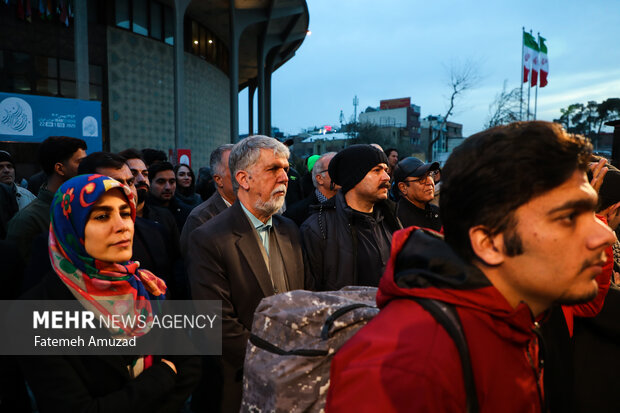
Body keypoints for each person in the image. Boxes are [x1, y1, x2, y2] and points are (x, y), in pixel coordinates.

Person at [326, 121, 616, 412]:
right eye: (568, 217)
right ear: (488, 242)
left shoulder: (520, 320)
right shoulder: (406, 370)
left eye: (591, 212)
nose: (606, 234)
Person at [19, 174, 200, 412]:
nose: (122, 226)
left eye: (125, 213)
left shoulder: (146, 286)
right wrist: (163, 376)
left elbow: (189, 363)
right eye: (102, 216)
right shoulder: (34, 313)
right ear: (70, 226)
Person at [187, 135, 304, 412]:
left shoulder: (291, 230)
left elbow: (302, 299)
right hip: (238, 385)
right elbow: (217, 324)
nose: (284, 177)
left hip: (293, 379)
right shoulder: (208, 237)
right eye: (273, 169)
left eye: (286, 169)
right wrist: (276, 360)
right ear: (244, 178)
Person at [301, 144, 402, 291]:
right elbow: (311, 294)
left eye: (386, 170)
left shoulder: (390, 219)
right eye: (377, 170)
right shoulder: (317, 228)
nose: (386, 177)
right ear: (353, 177)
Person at [6, 136, 87, 263]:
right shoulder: (27, 220)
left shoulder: (85, 208)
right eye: (80, 162)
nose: (86, 168)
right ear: (60, 168)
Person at [180, 144, 235, 253]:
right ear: (218, 179)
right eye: (235, 168)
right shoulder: (200, 219)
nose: (245, 175)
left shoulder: (255, 210)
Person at [284, 152, 339, 226]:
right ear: (319, 178)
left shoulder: (351, 205)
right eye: (334, 169)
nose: (342, 173)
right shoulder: (295, 215)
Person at [393, 157, 442, 232]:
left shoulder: (438, 212)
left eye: (430, 175)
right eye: (421, 179)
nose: (430, 182)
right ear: (403, 187)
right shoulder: (396, 219)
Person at [147, 161, 192, 233]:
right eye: (161, 182)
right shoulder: (142, 213)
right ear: (149, 183)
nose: (168, 187)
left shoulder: (185, 212)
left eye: (172, 182)